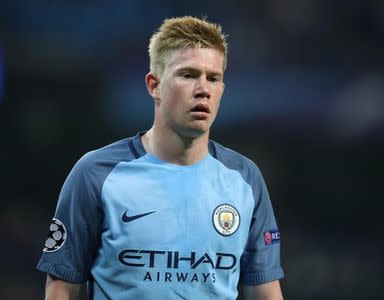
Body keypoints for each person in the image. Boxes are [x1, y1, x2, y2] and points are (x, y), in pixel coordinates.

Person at [37, 16, 284, 300]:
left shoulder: (245, 178)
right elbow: (61, 289)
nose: (203, 89)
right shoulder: (96, 173)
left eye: (213, 78)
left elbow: (265, 292)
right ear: (154, 85)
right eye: (188, 75)